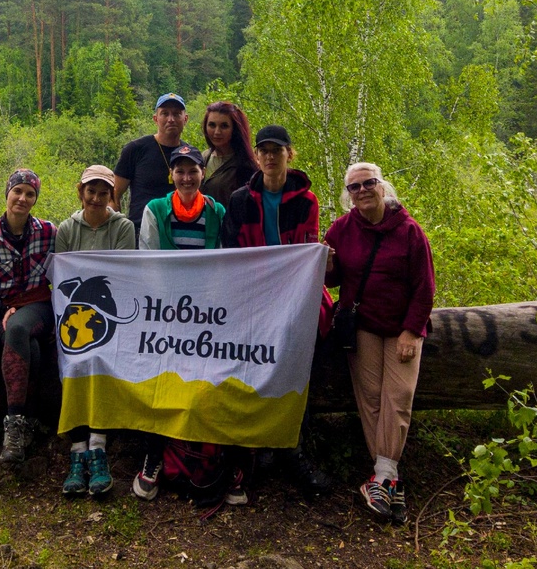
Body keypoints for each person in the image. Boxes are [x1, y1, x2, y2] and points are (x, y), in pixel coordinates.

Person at [220, 124, 330, 496]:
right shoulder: (239, 200)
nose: (270, 156)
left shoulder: (306, 200)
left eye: (277, 150)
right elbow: (232, 253)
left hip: (294, 294)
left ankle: (292, 447)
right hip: (252, 295)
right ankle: (260, 447)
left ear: (289, 154)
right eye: (263, 150)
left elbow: (304, 253)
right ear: (258, 155)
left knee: (298, 359)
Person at [133, 144, 246, 504]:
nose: (185, 177)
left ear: (202, 174)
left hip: (209, 315)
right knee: (161, 382)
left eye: (192, 170)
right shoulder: (156, 209)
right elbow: (148, 262)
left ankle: (223, 464)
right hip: (168, 312)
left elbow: (227, 262)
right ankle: (154, 457)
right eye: (179, 171)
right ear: (172, 175)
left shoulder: (217, 210)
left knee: (215, 383)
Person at [324, 162, 435, 526]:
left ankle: (383, 479)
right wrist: (325, 265)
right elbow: (336, 280)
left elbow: (425, 287)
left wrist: (411, 330)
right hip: (363, 326)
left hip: (403, 327)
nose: (362, 191)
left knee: (398, 397)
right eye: (354, 187)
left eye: (368, 183)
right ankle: (389, 479)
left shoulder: (409, 231)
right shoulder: (341, 229)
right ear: (347, 194)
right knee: (371, 399)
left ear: (382, 186)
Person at [54, 165, 137, 495]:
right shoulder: (66, 229)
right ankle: (77, 450)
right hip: (72, 315)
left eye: (104, 192)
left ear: (112, 196)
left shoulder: (123, 227)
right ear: (81, 192)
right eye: (91, 191)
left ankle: (99, 446)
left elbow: (120, 274)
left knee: (102, 359)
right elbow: (63, 277)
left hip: (109, 314)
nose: (97, 198)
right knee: (70, 363)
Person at [0, 168, 57, 466]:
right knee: (25, 343)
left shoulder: (48, 232)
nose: (22, 198)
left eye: (29, 194)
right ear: (7, 193)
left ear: (35, 199)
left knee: (19, 327)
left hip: (37, 305)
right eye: (17, 191)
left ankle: (13, 424)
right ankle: (27, 421)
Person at [113, 92, 189, 227]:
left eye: (176, 114)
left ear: (185, 119)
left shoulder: (190, 154)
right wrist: (118, 228)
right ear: (155, 119)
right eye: (165, 113)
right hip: (140, 231)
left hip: (180, 232)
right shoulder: (135, 149)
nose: (171, 119)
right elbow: (114, 195)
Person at [200, 102, 260, 205]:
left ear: (234, 129)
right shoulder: (203, 157)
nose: (217, 132)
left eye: (224, 126)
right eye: (212, 125)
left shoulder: (246, 166)